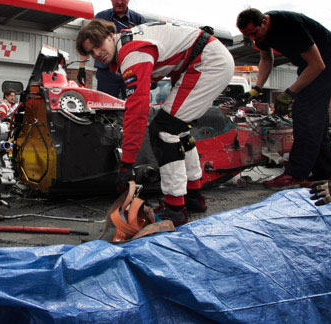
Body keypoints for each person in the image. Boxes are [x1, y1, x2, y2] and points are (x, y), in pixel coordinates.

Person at [76, 19, 234, 225]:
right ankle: (193, 197)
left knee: (164, 131)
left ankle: (175, 207)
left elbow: (137, 110)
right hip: (207, 58)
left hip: (207, 62)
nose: (97, 53)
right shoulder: (130, 40)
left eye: (98, 45)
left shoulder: (131, 50)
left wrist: (127, 163)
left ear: (109, 35)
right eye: (91, 52)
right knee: (179, 131)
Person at [236, 8, 331, 189]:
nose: (252, 39)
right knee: (316, 117)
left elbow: (318, 64)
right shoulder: (260, 35)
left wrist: (289, 93)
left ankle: (296, 174)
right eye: (248, 36)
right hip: (308, 62)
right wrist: (256, 89)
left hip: (329, 57)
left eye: (254, 33)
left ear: (264, 22)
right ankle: (327, 172)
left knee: (305, 112)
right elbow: (266, 59)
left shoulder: (289, 25)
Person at [78, 0, 146, 98]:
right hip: (106, 73)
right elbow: (88, 42)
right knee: (104, 107)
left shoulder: (138, 20)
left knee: (132, 105)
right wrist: (82, 67)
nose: (119, 2)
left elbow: (146, 47)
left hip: (131, 71)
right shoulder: (101, 17)